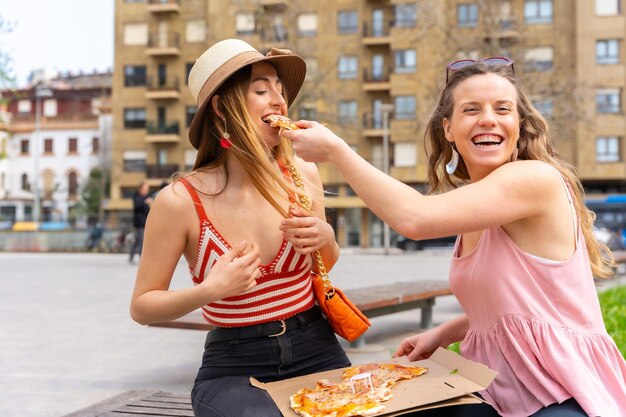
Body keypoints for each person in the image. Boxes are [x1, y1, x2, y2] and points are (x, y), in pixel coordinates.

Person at [282, 57, 626, 416]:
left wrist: (338, 151)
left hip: (565, 393)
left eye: (502, 109)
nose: (488, 118)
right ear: (449, 128)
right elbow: (513, 305)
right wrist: (444, 333)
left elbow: (414, 218)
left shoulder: (533, 178)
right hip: (500, 395)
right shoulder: (477, 203)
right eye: (471, 109)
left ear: (519, 125)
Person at [129, 39, 350, 417]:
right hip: (234, 365)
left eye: (280, 91)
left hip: (316, 343)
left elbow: (323, 264)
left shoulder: (303, 176)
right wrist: (210, 290)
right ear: (221, 107)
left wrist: (327, 239)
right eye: (262, 90)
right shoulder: (180, 201)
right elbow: (143, 306)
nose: (279, 100)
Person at [128, 181, 152, 263]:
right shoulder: (136, 196)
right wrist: (145, 202)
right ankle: (142, 259)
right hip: (139, 223)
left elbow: (147, 211)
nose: (146, 191)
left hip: (145, 222)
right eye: (145, 189)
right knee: (141, 240)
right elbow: (137, 206)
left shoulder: (146, 197)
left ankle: (131, 256)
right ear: (141, 189)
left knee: (137, 240)